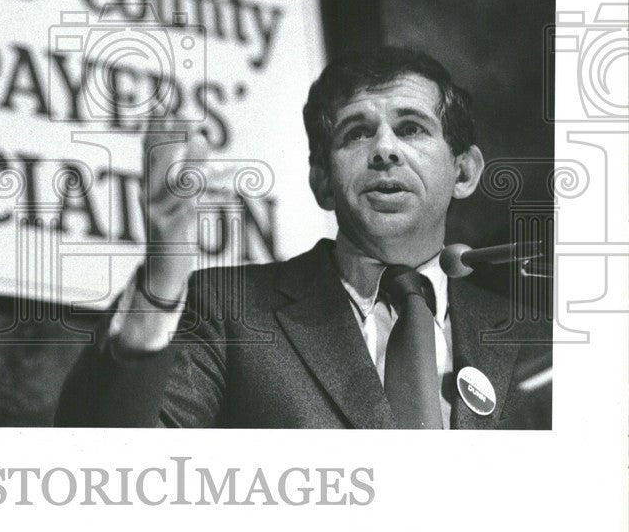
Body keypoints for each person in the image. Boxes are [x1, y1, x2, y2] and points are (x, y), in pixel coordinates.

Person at [54, 47, 551, 429]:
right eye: (356, 133)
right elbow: (111, 472)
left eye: (411, 128)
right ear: (320, 181)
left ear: (464, 171)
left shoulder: (538, 343)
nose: (384, 150)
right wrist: (161, 285)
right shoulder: (226, 311)